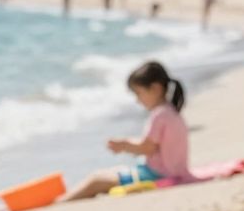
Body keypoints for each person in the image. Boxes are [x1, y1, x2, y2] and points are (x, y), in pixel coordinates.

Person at [60, 61, 193, 202]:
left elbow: (147, 148)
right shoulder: (171, 112)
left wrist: (124, 145)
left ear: (155, 88)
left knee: (96, 180)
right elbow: (153, 145)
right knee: (111, 172)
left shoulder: (159, 115)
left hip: (157, 175)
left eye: (139, 93)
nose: (137, 100)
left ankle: (60, 202)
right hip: (171, 172)